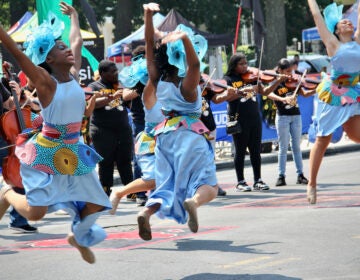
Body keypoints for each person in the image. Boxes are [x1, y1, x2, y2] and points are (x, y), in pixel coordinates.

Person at [0, 2, 111, 263]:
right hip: (48, 150)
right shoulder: (44, 82)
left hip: (73, 150)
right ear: (48, 58)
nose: (68, 51)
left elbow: (77, 41)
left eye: (66, 47)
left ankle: (79, 236)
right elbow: (17, 53)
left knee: (96, 204)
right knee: (36, 213)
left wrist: (74, 18)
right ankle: (6, 192)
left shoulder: (72, 74)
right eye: (60, 48)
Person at [136, 3, 218, 241]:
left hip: (165, 138)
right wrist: (184, 38)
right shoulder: (188, 86)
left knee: (166, 185)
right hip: (190, 137)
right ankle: (193, 202)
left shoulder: (158, 79)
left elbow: (150, 47)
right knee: (208, 184)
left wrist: (147, 16)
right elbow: (194, 65)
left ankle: (146, 212)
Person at [306, 1, 360, 204]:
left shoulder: (358, 40)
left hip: (354, 92)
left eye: (350, 21)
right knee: (323, 139)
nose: (348, 22)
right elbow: (317, 16)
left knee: (356, 135)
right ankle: (311, 183)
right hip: (334, 92)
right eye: (343, 21)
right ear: (336, 29)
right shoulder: (332, 43)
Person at [264, 58, 315, 187]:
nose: (290, 75)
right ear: (280, 70)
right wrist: (283, 98)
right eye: (287, 71)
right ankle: (281, 176)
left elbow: (304, 93)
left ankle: (300, 175)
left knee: (296, 146)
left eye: (291, 71)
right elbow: (269, 94)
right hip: (282, 117)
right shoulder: (276, 82)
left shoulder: (294, 81)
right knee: (283, 147)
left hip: (296, 115)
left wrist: (317, 89)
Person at [223, 53, 270, 192]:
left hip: (254, 117)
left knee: (256, 150)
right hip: (238, 118)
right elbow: (228, 97)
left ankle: (258, 180)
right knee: (240, 150)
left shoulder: (252, 78)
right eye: (241, 64)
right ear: (234, 65)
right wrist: (243, 90)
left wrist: (275, 82)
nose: (245, 66)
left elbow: (265, 92)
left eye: (246, 63)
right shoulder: (228, 79)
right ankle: (241, 181)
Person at [88, 59, 133, 196]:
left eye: (116, 70)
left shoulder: (120, 85)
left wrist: (127, 95)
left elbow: (127, 105)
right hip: (102, 130)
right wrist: (112, 97)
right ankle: (105, 190)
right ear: (102, 73)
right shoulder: (94, 86)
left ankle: (131, 190)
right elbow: (94, 104)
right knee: (106, 160)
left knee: (125, 159)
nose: (116, 73)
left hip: (122, 129)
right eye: (112, 71)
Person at [121, 45, 149, 206]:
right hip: (140, 121)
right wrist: (141, 86)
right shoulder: (134, 76)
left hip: (159, 118)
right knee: (140, 157)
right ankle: (140, 193)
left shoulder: (155, 72)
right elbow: (125, 95)